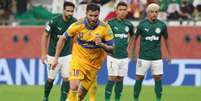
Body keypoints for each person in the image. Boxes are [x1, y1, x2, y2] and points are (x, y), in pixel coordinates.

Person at [51, 3, 114, 101]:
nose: (93, 18)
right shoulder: (77, 25)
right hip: (78, 61)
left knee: (80, 96)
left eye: (95, 16)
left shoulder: (105, 28)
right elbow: (62, 38)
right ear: (86, 13)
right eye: (91, 15)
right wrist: (56, 58)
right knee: (74, 86)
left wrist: (101, 44)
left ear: (99, 14)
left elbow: (112, 49)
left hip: (94, 65)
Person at [130, 3, 171, 101]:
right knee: (139, 78)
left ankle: (158, 99)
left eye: (156, 12)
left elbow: (166, 39)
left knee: (158, 78)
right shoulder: (142, 25)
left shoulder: (162, 25)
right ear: (148, 13)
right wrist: (133, 54)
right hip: (143, 57)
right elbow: (134, 39)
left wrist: (169, 54)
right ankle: (135, 98)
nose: (154, 14)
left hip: (157, 57)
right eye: (152, 12)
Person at [40, 1, 77, 101]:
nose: (70, 13)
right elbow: (45, 35)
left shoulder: (75, 22)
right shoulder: (54, 21)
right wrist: (43, 54)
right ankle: (45, 97)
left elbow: (76, 39)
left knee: (66, 79)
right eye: (68, 11)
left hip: (67, 55)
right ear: (63, 10)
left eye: (72, 11)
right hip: (52, 55)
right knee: (50, 79)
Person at [104, 2, 134, 101]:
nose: (122, 12)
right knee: (112, 78)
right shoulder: (110, 23)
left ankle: (117, 99)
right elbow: (103, 36)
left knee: (120, 79)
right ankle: (107, 99)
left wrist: (129, 48)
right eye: (120, 9)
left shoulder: (129, 25)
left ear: (127, 11)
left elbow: (132, 36)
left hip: (124, 56)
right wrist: (106, 48)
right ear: (116, 11)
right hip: (113, 56)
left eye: (124, 10)